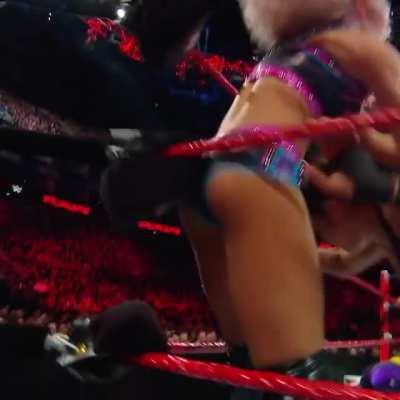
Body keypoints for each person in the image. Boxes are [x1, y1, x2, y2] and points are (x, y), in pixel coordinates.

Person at [180, 0, 400, 376]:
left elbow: (342, 262)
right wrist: (364, 133)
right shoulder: (361, 49)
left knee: (246, 359)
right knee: (294, 369)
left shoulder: (283, 54)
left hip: (205, 173)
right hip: (256, 173)